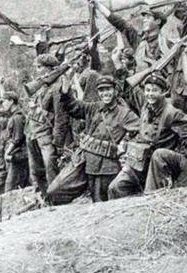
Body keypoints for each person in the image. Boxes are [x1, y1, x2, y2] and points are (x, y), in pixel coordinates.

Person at [47, 75, 140, 203]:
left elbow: (141, 130)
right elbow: (74, 107)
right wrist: (66, 90)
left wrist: (125, 144)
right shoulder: (94, 108)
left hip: (106, 166)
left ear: (115, 91)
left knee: (100, 202)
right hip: (83, 160)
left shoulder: (124, 113)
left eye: (108, 89)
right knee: (55, 190)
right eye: (101, 90)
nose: (105, 93)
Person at [108, 73, 187, 199]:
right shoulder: (145, 106)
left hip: (157, 166)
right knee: (115, 188)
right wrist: (150, 70)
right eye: (147, 90)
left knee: (149, 196)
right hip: (140, 162)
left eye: (155, 90)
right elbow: (127, 86)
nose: (150, 94)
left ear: (164, 92)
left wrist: (179, 157)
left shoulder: (171, 113)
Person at [25, 54, 64, 196]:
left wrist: (58, 141)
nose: (37, 70)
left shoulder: (57, 88)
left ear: (49, 68)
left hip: (47, 135)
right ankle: (45, 198)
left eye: (39, 67)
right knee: (36, 171)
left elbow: (60, 117)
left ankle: (56, 199)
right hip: (33, 134)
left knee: (50, 169)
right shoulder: (41, 86)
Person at [3, 91, 29, 192]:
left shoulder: (17, 117)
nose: (3, 104)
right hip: (18, 156)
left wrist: (7, 152)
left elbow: (17, 139)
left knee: (11, 187)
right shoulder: (16, 116)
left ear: (11, 101)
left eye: (4, 101)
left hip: (19, 157)